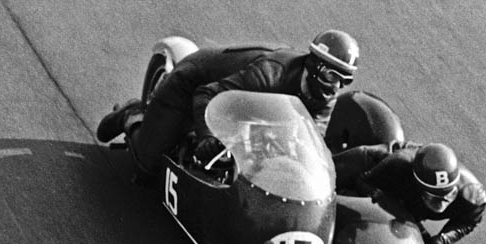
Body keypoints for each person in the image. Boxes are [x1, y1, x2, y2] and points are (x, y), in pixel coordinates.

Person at [97, 29, 360, 177]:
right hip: (194, 82)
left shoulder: (325, 97)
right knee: (148, 165)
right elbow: (205, 94)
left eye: (344, 81)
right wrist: (207, 136)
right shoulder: (270, 74)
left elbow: (312, 140)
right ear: (314, 65)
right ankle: (132, 115)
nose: (336, 87)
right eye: (330, 76)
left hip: (245, 108)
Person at [335, 142, 486, 244]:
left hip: (406, 201)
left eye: (449, 195)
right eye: (434, 197)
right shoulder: (398, 163)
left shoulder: (473, 196)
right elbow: (363, 181)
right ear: (418, 187)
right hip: (377, 172)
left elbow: (468, 222)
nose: (441, 204)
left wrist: (443, 239)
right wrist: (383, 199)